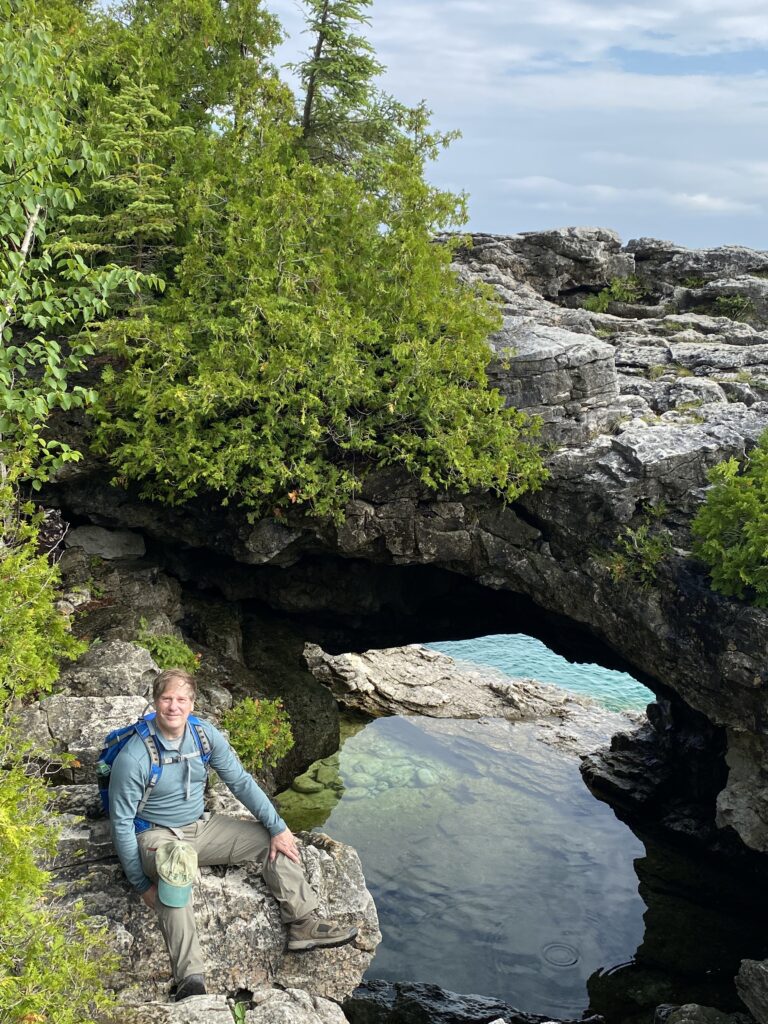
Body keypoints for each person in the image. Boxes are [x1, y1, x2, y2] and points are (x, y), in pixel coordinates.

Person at [109, 667, 358, 1002]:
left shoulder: (204, 736)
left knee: (266, 839)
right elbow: (122, 822)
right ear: (155, 702)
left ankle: (302, 922)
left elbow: (239, 782)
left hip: (200, 827)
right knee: (177, 867)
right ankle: (190, 979)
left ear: (192, 704)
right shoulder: (135, 756)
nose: (173, 706)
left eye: (181, 699)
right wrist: (141, 885)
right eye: (166, 698)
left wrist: (278, 827)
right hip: (155, 837)